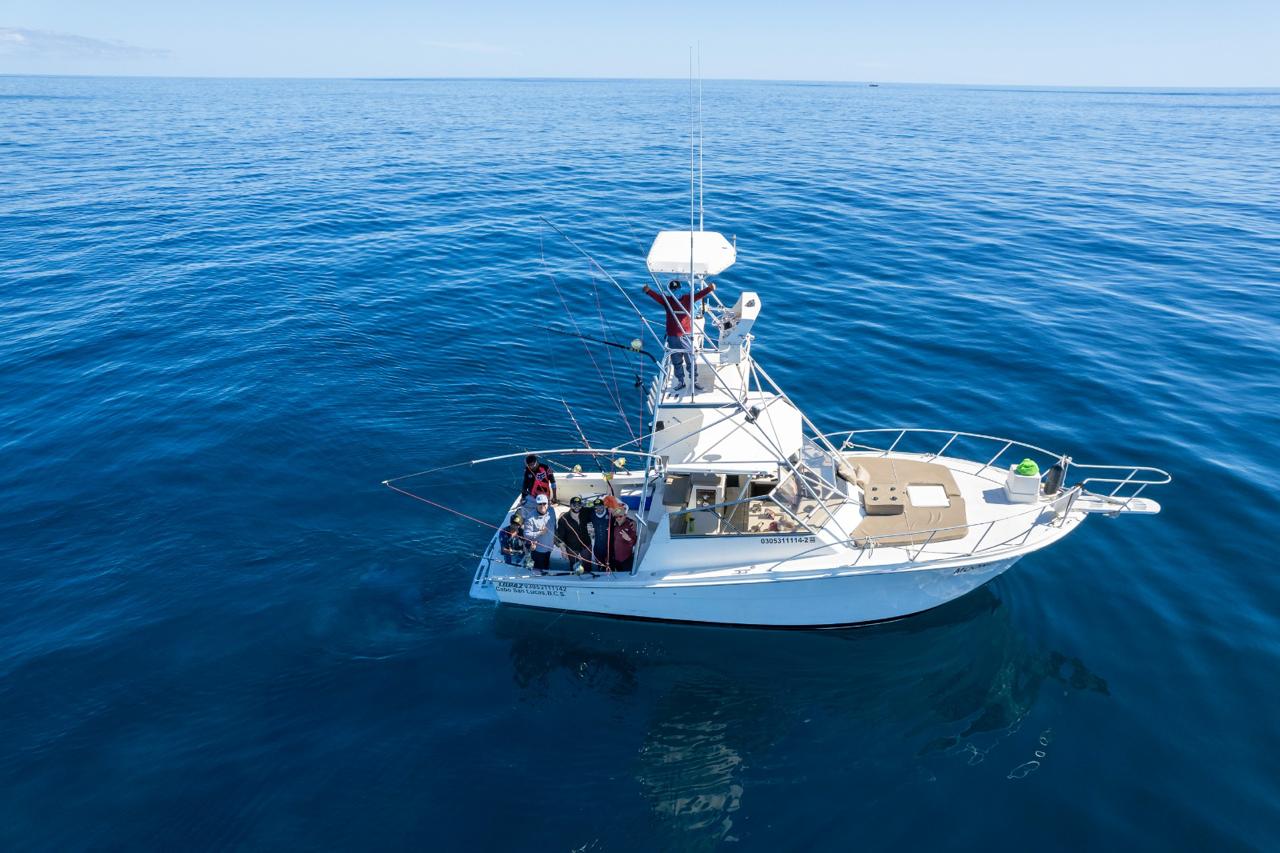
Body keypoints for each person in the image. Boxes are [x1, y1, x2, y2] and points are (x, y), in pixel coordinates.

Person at [642, 278, 716, 392]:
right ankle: (681, 382)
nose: (675, 291)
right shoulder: (668, 300)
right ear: (671, 290)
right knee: (676, 360)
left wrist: (709, 289)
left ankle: (694, 381)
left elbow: (699, 295)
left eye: (676, 289)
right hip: (673, 336)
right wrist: (648, 291)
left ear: (678, 289)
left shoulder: (685, 299)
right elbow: (656, 297)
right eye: (673, 289)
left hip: (686, 335)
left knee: (690, 360)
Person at [555, 495, 593, 574]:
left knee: (588, 566)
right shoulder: (563, 519)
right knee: (574, 567)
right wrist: (563, 549)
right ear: (570, 505)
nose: (577, 507)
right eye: (574, 505)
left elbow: (596, 509)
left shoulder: (585, 512)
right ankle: (575, 580)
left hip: (586, 545)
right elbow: (560, 536)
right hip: (572, 548)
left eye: (579, 505)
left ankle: (588, 580)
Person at [522, 494, 557, 573]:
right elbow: (526, 534)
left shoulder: (551, 510)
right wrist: (540, 533)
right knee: (538, 570)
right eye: (539, 504)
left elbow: (555, 524)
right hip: (538, 550)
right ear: (536, 504)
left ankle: (546, 574)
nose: (542, 506)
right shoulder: (530, 518)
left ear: (547, 503)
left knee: (546, 565)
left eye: (544, 503)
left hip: (549, 547)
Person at [610, 504, 638, 574]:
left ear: (625, 516)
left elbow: (634, 543)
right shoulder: (615, 524)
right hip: (616, 559)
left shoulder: (630, 526)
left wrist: (628, 539)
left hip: (626, 560)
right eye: (616, 517)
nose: (618, 518)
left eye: (620, 516)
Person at [588, 498, 612, 571]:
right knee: (599, 564)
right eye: (596, 507)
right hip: (598, 545)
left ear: (604, 506)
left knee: (610, 564)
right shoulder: (592, 514)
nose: (598, 509)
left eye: (600, 507)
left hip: (609, 545)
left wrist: (632, 521)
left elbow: (623, 513)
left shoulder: (610, 513)